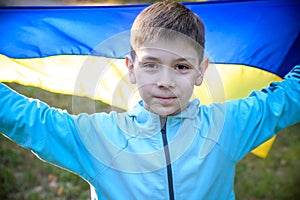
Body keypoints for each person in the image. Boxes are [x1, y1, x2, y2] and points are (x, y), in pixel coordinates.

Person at [0, 1, 299, 199]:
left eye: (181, 67)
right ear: (131, 68)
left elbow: (289, 97)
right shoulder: (100, 138)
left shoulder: (228, 126)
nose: (165, 81)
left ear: (201, 70)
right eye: (151, 64)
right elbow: (30, 121)